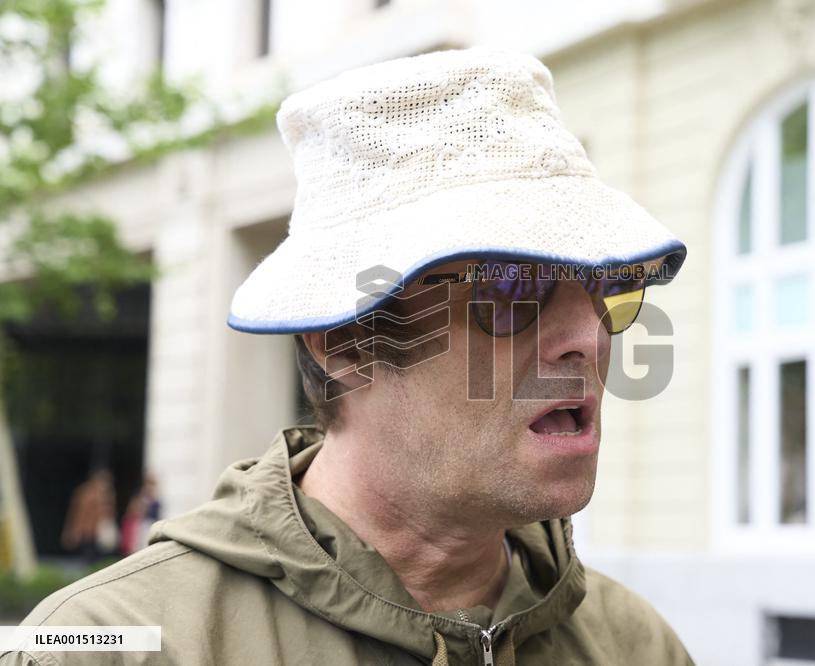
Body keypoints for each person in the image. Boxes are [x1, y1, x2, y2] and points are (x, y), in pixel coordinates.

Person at [2, 48, 694, 665]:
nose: (591, 336)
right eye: (511, 288)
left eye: (606, 288)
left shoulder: (634, 644)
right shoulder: (109, 643)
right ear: (343, 342)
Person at [59, 469, 118, 564]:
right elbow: (78, 513)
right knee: (89, 558)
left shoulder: (106, 494)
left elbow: (109, 514)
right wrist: (73, 530)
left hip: (98, 533)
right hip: (87, 532)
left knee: (98, 558)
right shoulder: (87, 493)